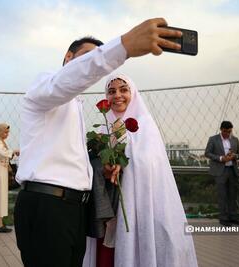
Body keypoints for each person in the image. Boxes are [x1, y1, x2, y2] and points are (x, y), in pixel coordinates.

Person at [14, 18, 183, 267]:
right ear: (68, 57)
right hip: (47, 207)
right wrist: (123, 46)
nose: (91, 64)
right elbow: (65, 80)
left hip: (74, 210)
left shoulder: (75, 107)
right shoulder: (45, 88)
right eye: (85, 57)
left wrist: (104, 169)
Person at [83, 73, 198, 267]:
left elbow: (151, 162)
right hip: (110, 206)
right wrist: (104, 165)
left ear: (133, 93)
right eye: (111, 92)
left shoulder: (145, 125)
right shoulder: (104, 128)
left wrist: (124, 154)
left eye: (123, 90)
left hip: (138, 203)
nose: (117, 95)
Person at [205, 121, 239, 226]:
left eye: (230, 131)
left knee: (233, 195)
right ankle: (223, 218)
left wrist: (234, 156)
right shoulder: (213, 139)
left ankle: (233, 217)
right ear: (221, 129)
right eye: (226, 131)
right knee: (222, 195)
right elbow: (207, 153)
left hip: (232, 170)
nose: (228, 134)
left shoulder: (235, 139)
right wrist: (221, 158)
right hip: (220, 171)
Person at [0, 123, 19, 233]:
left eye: (7, 132)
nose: (6, 134)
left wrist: (12, 153)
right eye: (5, 132)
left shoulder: (0, 142)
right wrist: (14, 151)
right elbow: (4, 153)